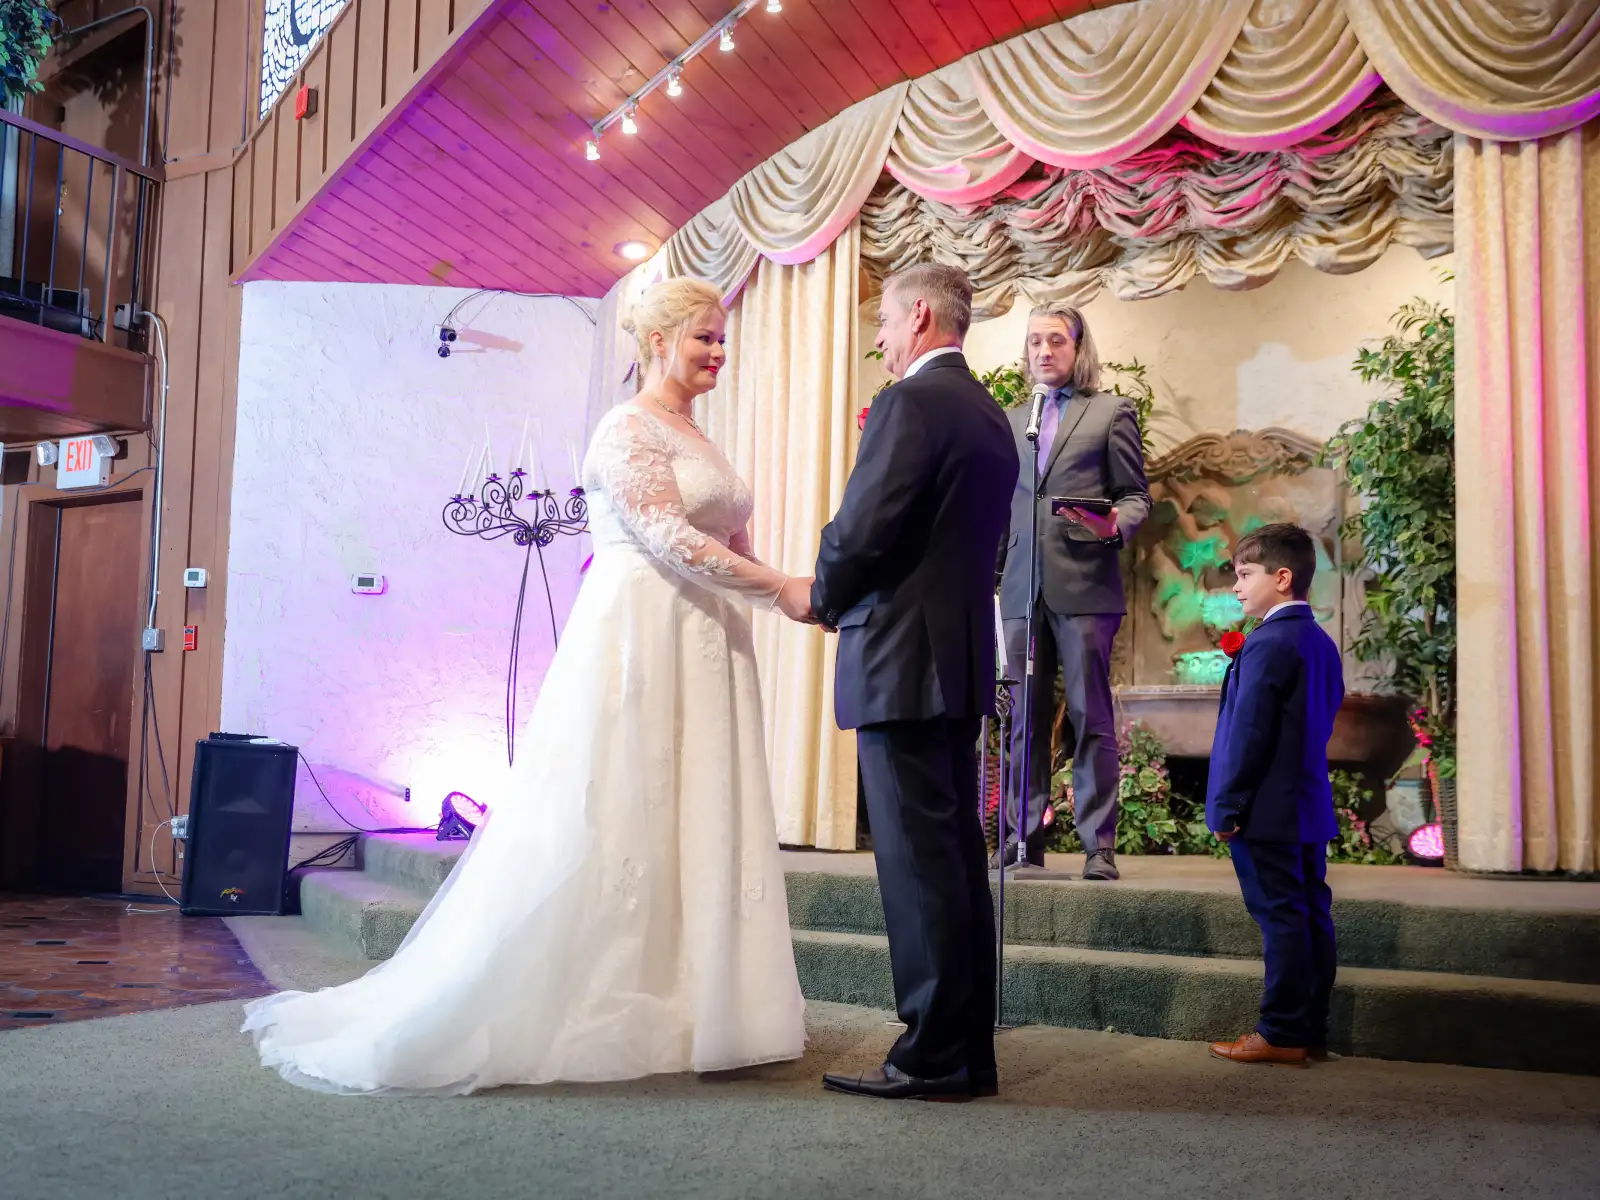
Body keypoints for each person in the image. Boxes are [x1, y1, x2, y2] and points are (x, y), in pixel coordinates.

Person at [242, 277, 813, 1094]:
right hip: (644, 633)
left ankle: (705, 1000)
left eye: (721, 338)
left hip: (710, 637)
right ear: (658, 343)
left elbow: (726, 533)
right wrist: (778, 586)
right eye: (702, 338)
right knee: (625, 803)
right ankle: (610, 991)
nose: (718, 352)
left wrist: (774, 588)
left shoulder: (697, 435)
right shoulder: (627, 429)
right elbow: (665, 535)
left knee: (702, 806)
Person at [810, 263, 1018, 1101]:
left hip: (899, 658)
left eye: (888, 325)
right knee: (955, 858)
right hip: (958, 658)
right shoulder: (992, 414)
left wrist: (822, 594)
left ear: (921, 314)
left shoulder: (910, 404)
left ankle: (929, 1056)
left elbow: (865, 528)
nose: (883, 342)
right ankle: (968, 1050)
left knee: (916, 862)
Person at [996, 305, 1149, 879]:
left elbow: (1135, 496)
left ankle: (1098, 846)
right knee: (1020, 722)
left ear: (1078, 347)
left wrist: (1114, 526)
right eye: (1034, 341)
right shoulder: (1010, 421)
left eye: (1055, 340)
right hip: (1018, 591)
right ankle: (1020, 843)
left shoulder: (1110, 412)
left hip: (1085, 585)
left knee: (1090, 717)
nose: (1043, 351)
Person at [1206, 524, 1344, 1068]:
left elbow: (1248, 734)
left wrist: (1226, 807)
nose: (1237, 586)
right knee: (1310, 914)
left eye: (1245, 575)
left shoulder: (1268, 643)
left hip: (1265, 809)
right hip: (1305, 803)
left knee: (1282, 918)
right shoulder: (1319, 641)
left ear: (1282, 578)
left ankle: (1281, 1032)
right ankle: (1309, 1026)